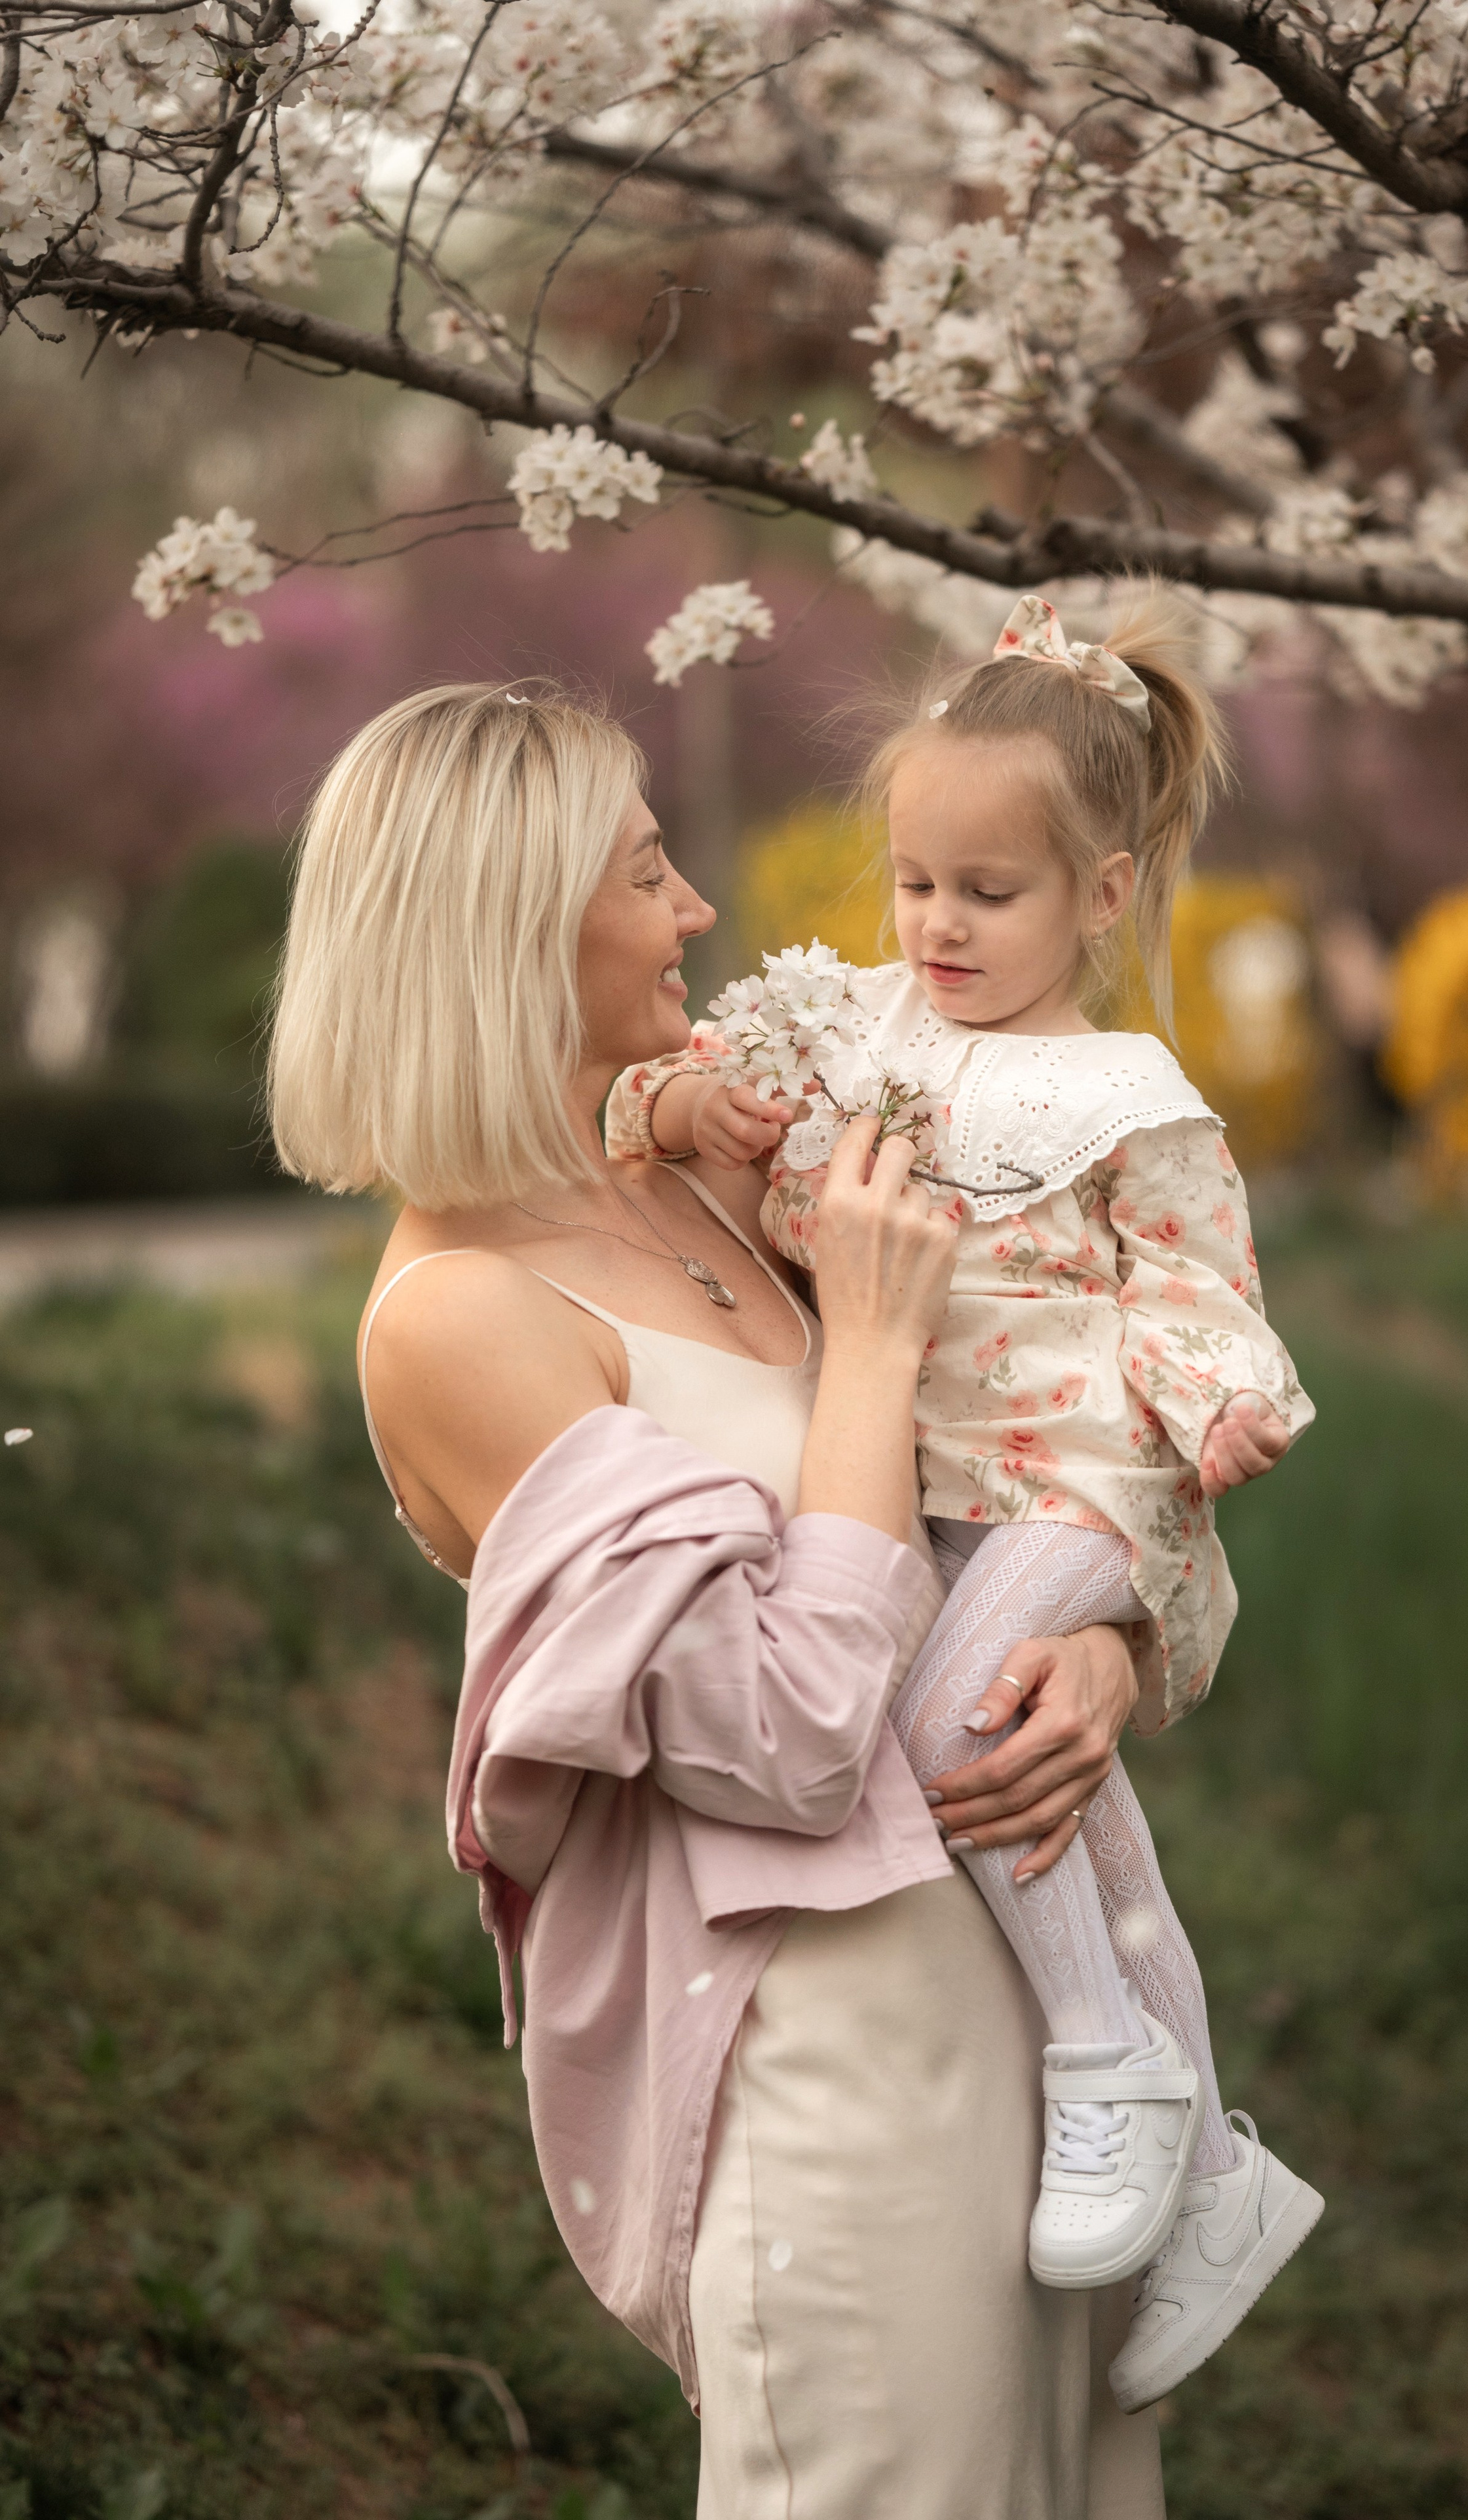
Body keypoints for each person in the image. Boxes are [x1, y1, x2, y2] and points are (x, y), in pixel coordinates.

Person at [266, 680, 1168, 2518]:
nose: (694, 909)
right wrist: (875, 1342)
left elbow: (966, 1498)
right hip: (830, 2055)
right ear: (514, 929)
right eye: (644, 870)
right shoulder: (462, 1319)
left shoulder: (680, 1189)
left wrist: (1100, 1647)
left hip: (1028, 1997)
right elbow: (788, 1738)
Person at [607, 587, 1324, 2409]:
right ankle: (1216, 2171)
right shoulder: (858, 1028)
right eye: (915, 882)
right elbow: (666, 1096)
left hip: (1080, 1483)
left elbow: (1191, 1283)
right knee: (1061, 1779)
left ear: (1100, 896)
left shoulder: (1126, 1093)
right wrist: (686, 1120)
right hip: (934, 1487)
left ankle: (1105, 2056)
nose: (933, 925)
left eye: (987, 894)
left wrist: (1228, 1403)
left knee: (946, 1721)